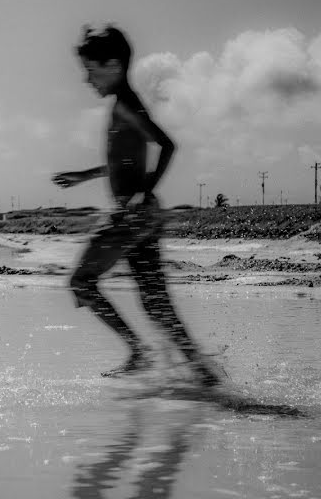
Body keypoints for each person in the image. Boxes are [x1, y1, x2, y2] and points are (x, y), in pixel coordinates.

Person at [51, 25, 219, 386]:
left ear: (112, 65)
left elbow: (167, 145)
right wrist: (84, 175)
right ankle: (204, 375)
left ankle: (138, 351)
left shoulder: (126, 104)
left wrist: (145, 191)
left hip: (132, 215)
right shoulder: (121, 105)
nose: (86, 79)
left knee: (81, 282)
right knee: (157, 305)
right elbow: (122, 163)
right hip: (145, 216)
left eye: (90, 70)